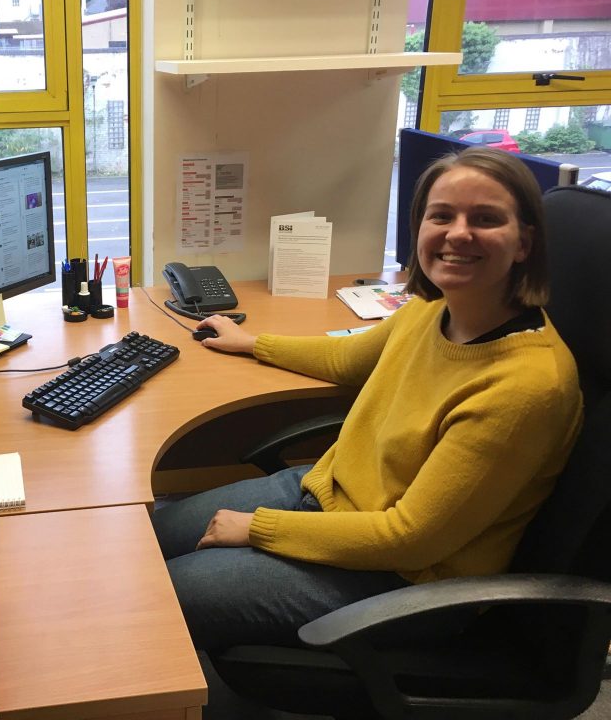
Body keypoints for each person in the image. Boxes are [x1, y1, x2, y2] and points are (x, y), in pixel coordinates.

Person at [152, 147, 583, 662]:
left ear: (523, 243)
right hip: (328, 495)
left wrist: (257, 528)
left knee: (155, 598)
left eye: (486, 219)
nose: (458, 234)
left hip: (402, 580)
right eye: (441, 216)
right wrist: (252, 342)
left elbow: (410, 540)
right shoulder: (435, 309)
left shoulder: (526, 385)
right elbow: (349, 358)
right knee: (146, 538)